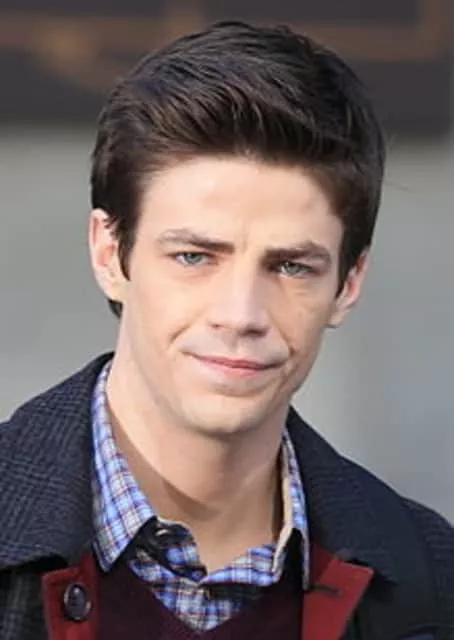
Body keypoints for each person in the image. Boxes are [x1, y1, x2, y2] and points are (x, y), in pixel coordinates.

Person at [0, 20, 453, 640]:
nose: (241, 314)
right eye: (194, 256)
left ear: (348, 284)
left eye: (291, 267)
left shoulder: (432, 578)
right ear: (109, 254)